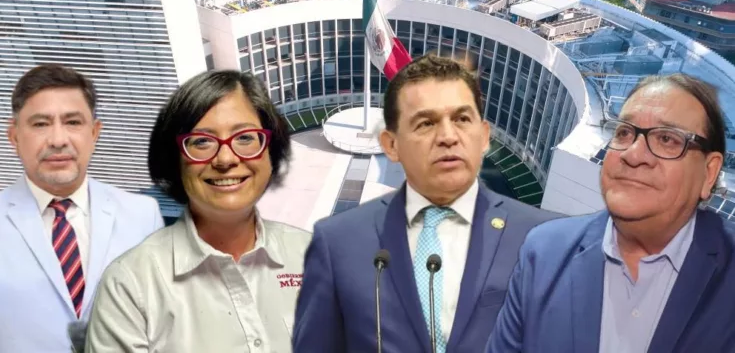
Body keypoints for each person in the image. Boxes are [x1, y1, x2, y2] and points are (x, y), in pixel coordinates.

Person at [293, 54, 560, 352]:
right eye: (426, 123)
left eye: (461, 119)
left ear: (484, 136)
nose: (448, 137)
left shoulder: (546, 239)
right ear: (391, 145)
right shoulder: (337, 242)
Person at [486, 74, 735, 353]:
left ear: (709, 173)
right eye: (624, 132)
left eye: (666, 139)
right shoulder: (543, 253)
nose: (633, 154)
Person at [85, 70, 311, 352]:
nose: (226, 159)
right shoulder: (129, 284)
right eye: (201, 141)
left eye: (245, 138)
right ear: (175, 161)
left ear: (270, 152)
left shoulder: (312, 254)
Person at [0, 64, 164, 353]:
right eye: (40, 124)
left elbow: (163, 321)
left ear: (94, 132)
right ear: (14, 136)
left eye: (73, 122)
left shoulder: (143, 215)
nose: (58, 140)